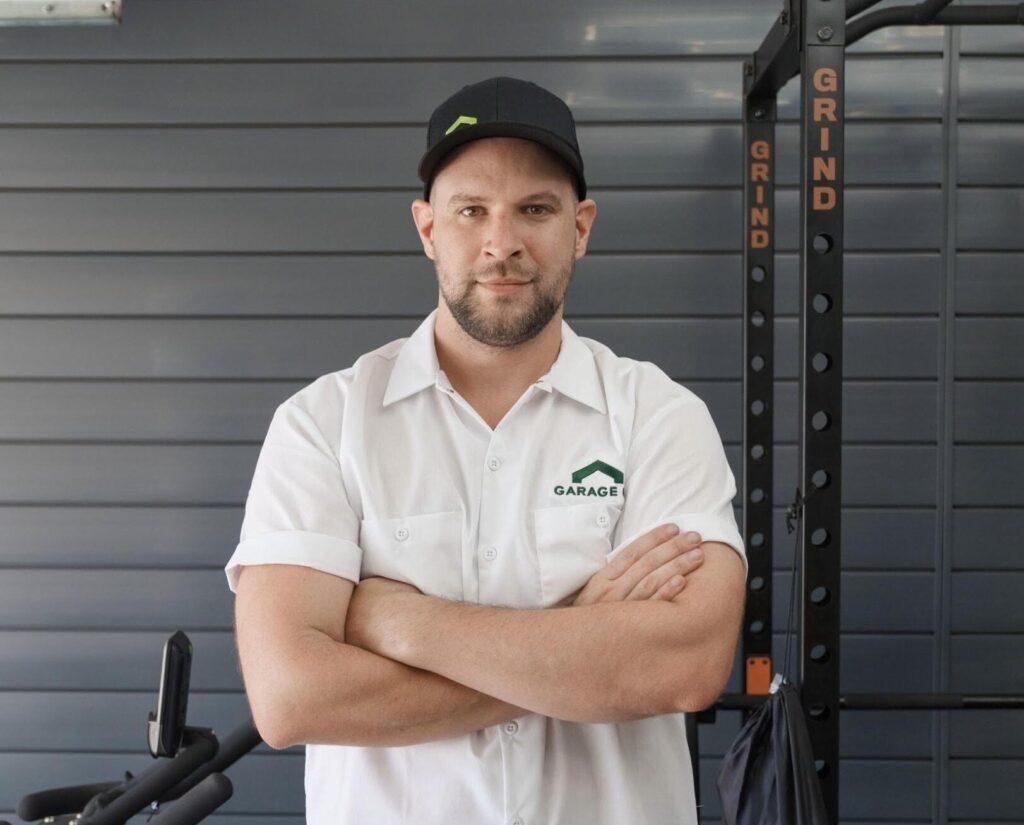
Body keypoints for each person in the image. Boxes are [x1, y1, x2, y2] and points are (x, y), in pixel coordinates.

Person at [224, 75, 748, 825]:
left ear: (581, 227)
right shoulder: (323, 424)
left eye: (535, 209)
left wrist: (399, 622)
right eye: (471, 210)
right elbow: (291, 698)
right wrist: (580, 638)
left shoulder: (658, 416)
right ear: (428, 228)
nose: (502, 243)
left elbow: (684, 665)